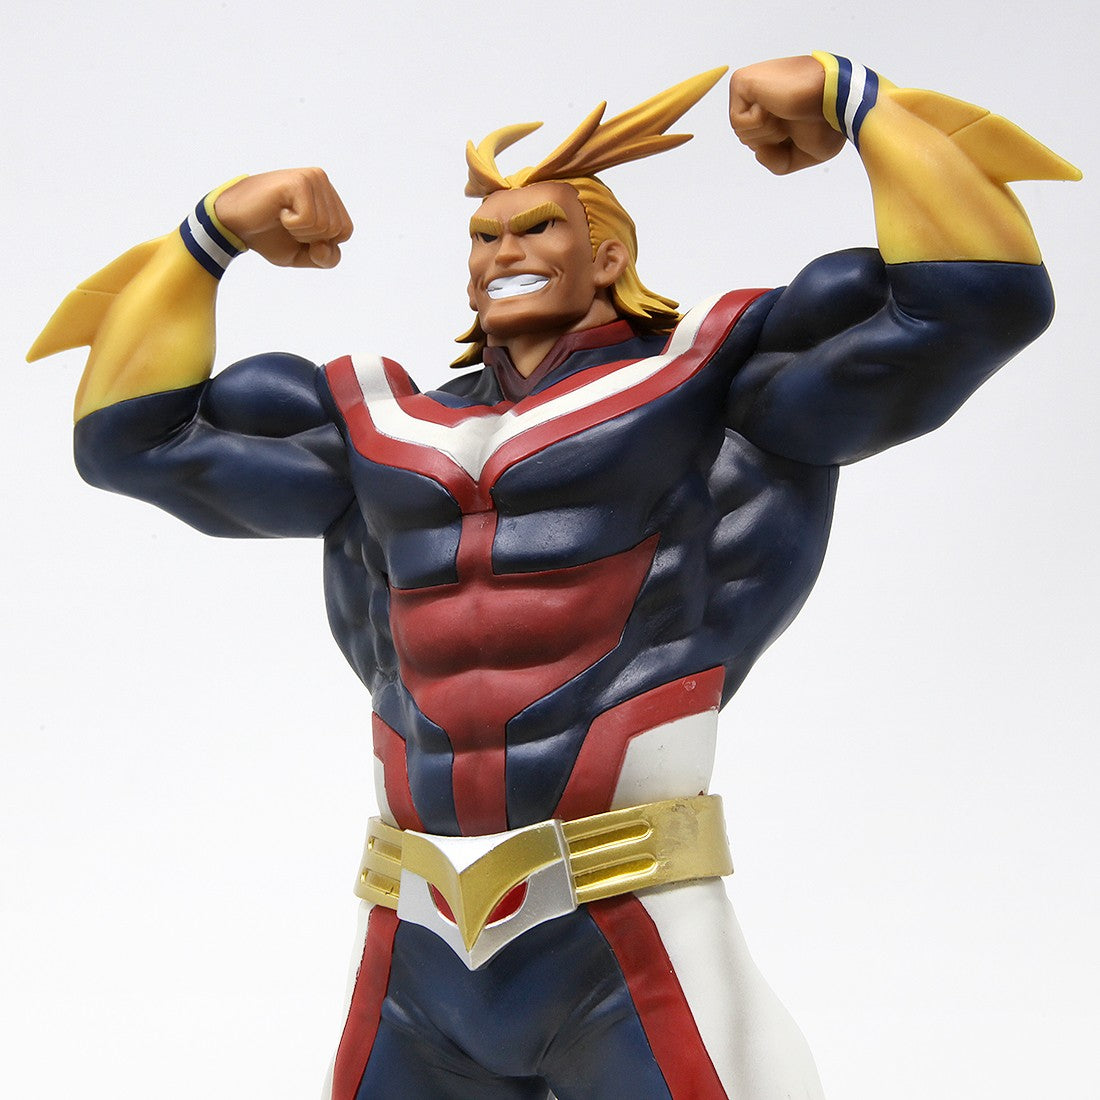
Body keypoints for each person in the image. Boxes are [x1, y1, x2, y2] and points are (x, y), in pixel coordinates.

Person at [29, 53, 1078, 1100]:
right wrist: (210, 231)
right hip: (413, 935)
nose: (505, 252)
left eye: (537, 228)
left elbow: (976, 303)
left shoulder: (707, 380)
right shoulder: (375, 423)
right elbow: (127, 440)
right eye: (485, 236)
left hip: (627, 922)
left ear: (608, 252)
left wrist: (853, 97)